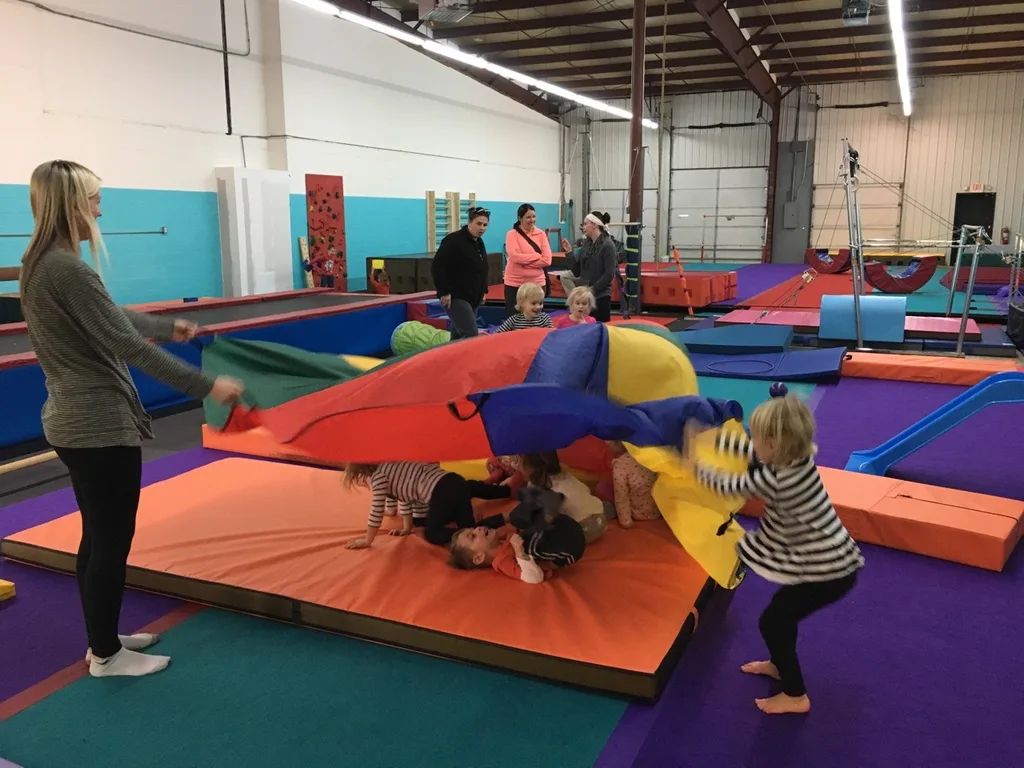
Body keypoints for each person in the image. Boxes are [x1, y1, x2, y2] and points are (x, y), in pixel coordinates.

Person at [18, 159, 245, 679]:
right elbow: (127, 346)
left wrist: (165, 327)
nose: (101, 209)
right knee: (110, 539)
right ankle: (106, 656)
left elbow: (109, 316)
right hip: (96, 424)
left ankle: (102, 638)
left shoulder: (43, 262)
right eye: (94, 199)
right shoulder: (67, 268)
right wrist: (207, 385)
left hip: (75, 420)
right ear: (72, 204)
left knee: (98, 535)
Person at [684, 396, 864, 716]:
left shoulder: (778, 479)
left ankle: (796, 695)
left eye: (755, 436)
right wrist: (710, 439)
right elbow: (749, 449)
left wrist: (691, 460)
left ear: (773, 444)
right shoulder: (799, 457)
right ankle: (780, 664)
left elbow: (726, 485)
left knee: (774, 622)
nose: (751, 441)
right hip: (831, 559)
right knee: (780, 616)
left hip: (829, 573)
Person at [342, 461, 512, 548]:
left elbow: (376, 509)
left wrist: (367, 540)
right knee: (469, 528)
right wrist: (407, 528)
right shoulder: (392, 468)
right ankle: (508, 496)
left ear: (361, 474)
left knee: (432, 533)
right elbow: (405, 498)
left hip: (442, 490)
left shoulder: (378, 477)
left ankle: (504, 516)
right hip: (454, 480)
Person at [448, 512, 586, 584]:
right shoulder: (502, 561)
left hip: (566, 529)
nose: (477, 528)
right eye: (473, 536)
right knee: (529, 544)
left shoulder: (501, 539)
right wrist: (519, 552)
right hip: (570, 549)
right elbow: (534, 578)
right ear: (479, 557)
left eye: (473, 529)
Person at [518, 452, 613, 544]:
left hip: (583, 531)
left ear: (531, 467)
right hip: (600, 517)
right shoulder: (564, 474)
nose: (518, 467)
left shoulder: (541, 490)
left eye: (519, 462)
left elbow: (535, 519)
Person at [431, 207, 491, 340]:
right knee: (470, 334)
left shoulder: (479, 242)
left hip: (473, 296)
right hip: (456, 296)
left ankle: (450, 352)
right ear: (469, 222)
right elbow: (438, 266)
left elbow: (482, 267)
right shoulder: (454, 240)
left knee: (458, 334)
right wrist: (444, 291)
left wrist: (483, 290)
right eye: (478, 224)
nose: (482, 228)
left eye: (485, 225)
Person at [559, 211, 618, 322]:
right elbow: (577, 272)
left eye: (586, 224)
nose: (583, 227)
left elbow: (609, 274)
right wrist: (569, 253)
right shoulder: (587, 244)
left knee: (598, 328)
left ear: (594, 225)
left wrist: (591, 290)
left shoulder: (607, 245)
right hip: (586, 297)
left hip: (600, 297)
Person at [502, 203, 552, 316]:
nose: (532, 220)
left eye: (534, 216)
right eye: (528, 217)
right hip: (515, 283)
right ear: (520, 218)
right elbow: (514, 257)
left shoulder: (541, 234)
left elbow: (547, 260)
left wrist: (524, 263)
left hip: (537, 282)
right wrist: (536, 256)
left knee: (536, 317)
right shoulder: (512, 234)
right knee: (514, 316)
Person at [606, 441, 661, 528]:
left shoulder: (621, 464)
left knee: (602, 488)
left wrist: (625, 521)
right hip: (658, 512)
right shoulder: (652, 455)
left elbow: (621, 497)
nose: (606, 443)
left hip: (637, 514)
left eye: (608, 439)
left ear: (619, 442)